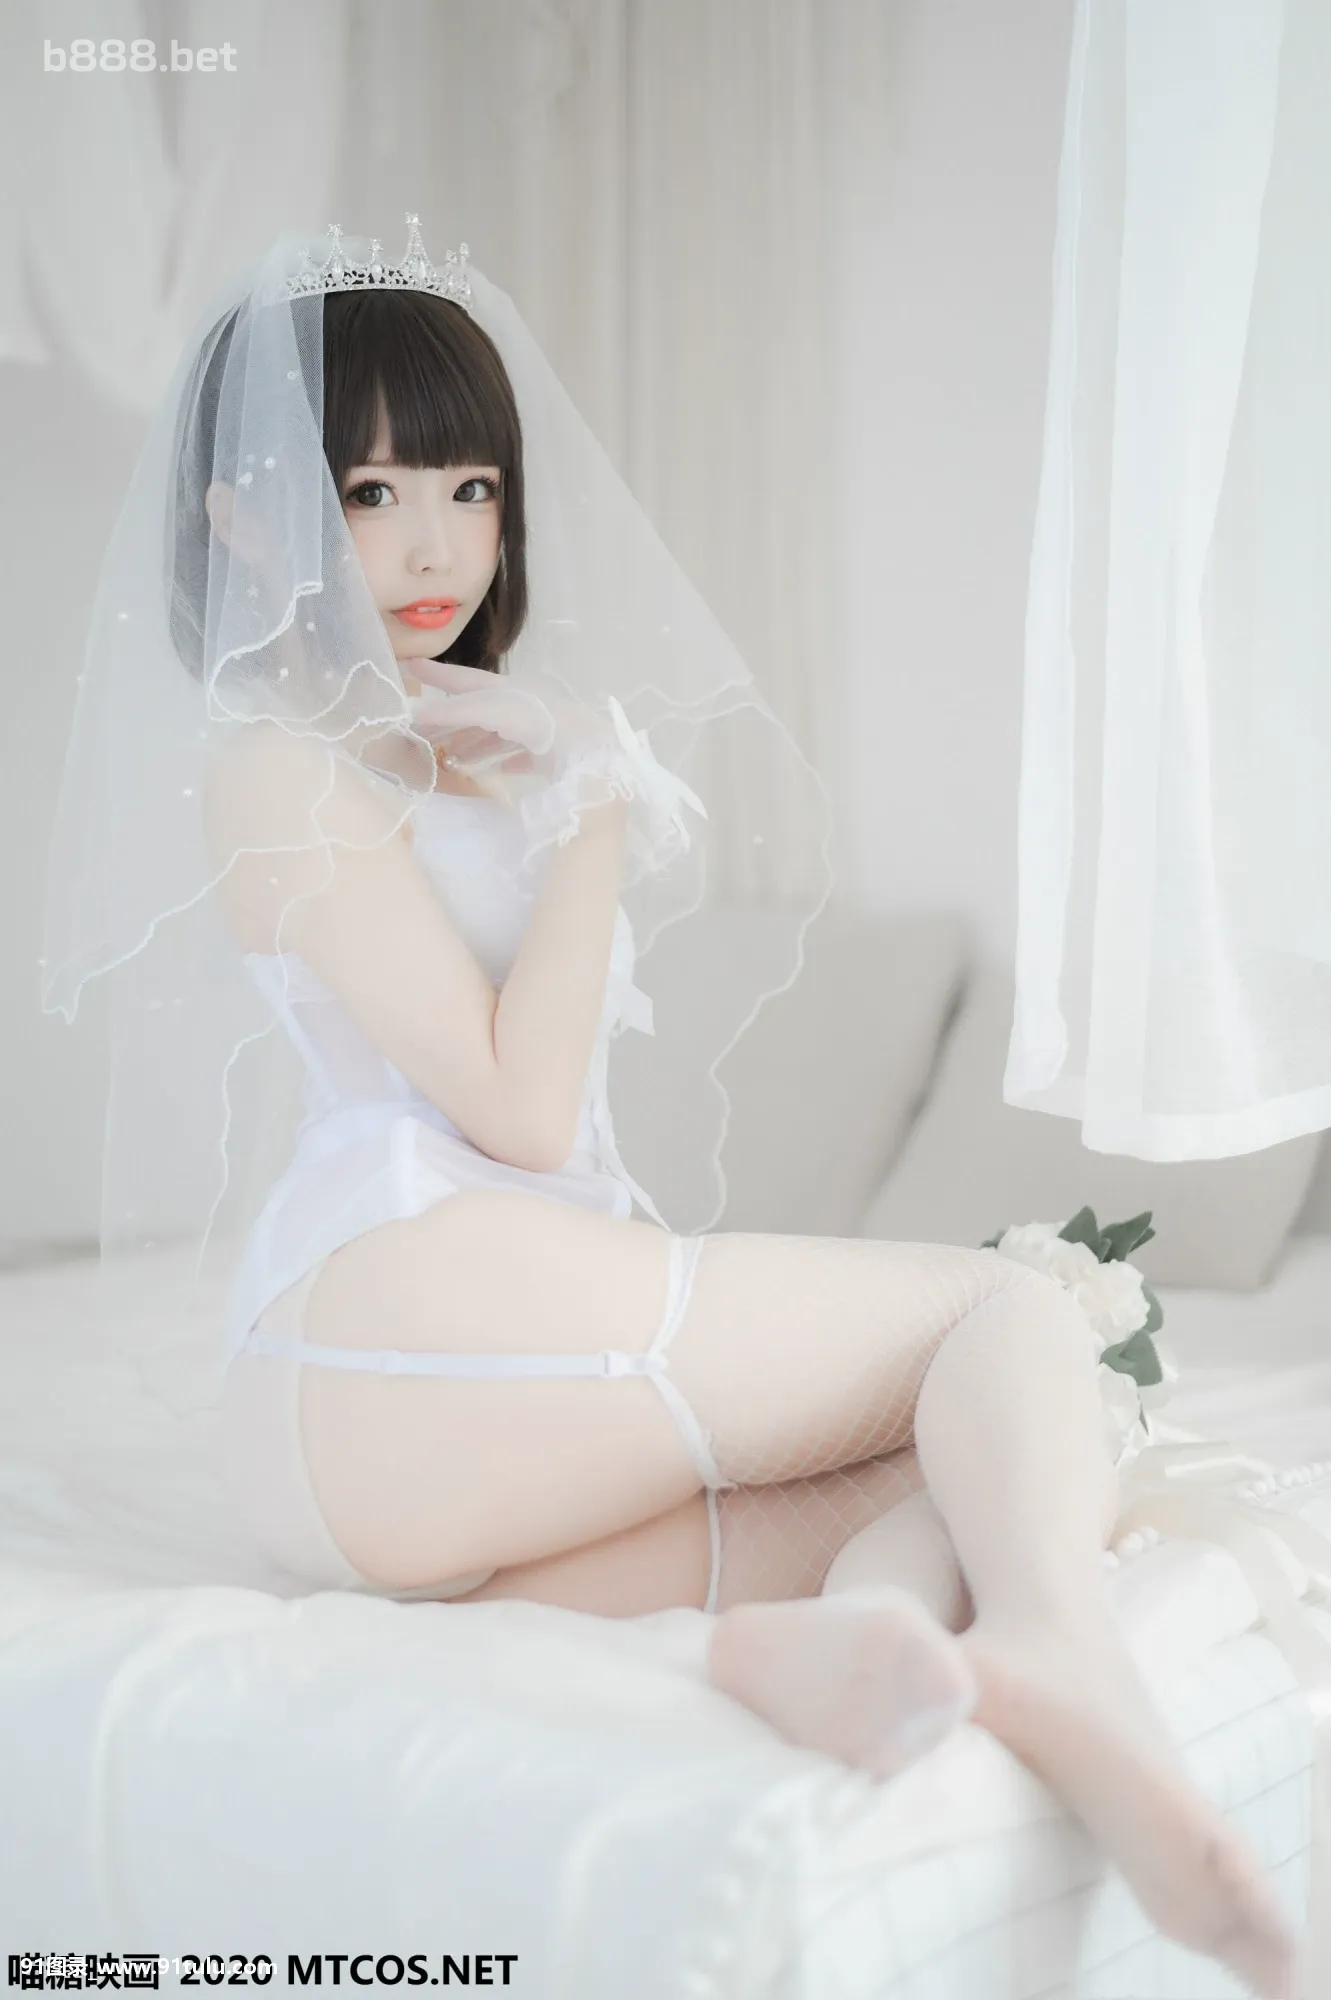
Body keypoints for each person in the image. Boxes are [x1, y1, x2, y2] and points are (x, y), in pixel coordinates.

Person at [42, 220, 1297, 1999]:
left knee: (934, 1450)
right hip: (386, 1305)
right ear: (246, 518)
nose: (436, 546)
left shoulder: (453, 748)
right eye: (372, 493)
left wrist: (559, 787)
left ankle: (852, 1637)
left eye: (470, 489)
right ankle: (1061, 1654)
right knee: (1007, 1315)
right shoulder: (276, 765)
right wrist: (598, 806)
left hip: (418, 1429)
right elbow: (518, 1107)